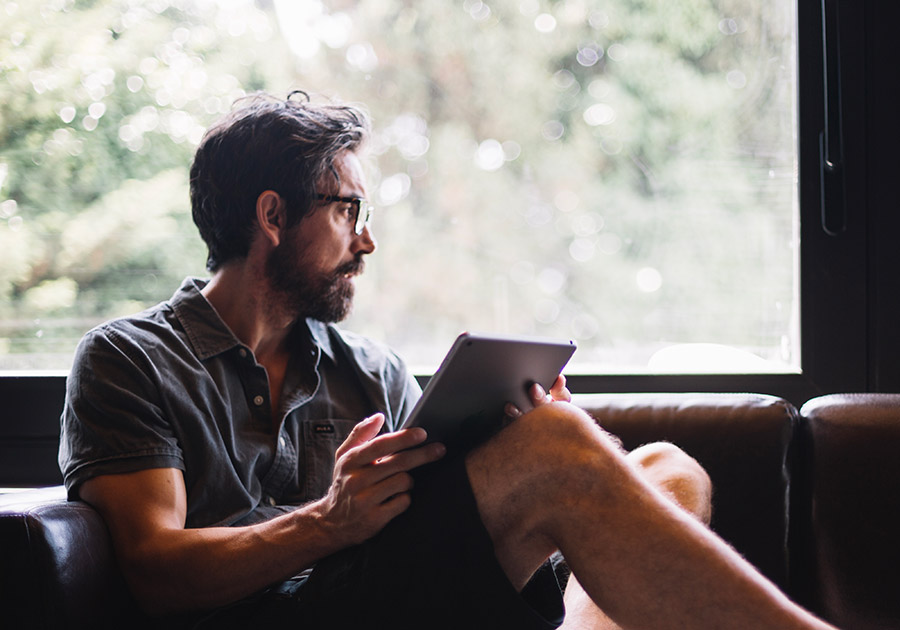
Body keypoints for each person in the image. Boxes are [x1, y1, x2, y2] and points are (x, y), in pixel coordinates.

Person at [59, 91, 834, 630]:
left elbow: (434, 524)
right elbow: (155, 573)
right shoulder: (131, 360)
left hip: (392, 599)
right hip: (281, 616)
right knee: (561, 451)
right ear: (272, 215)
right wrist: (329, 522)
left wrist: (523, 446)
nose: (367, 240)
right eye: (348, 210)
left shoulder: (371, 371)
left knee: (670, 468)